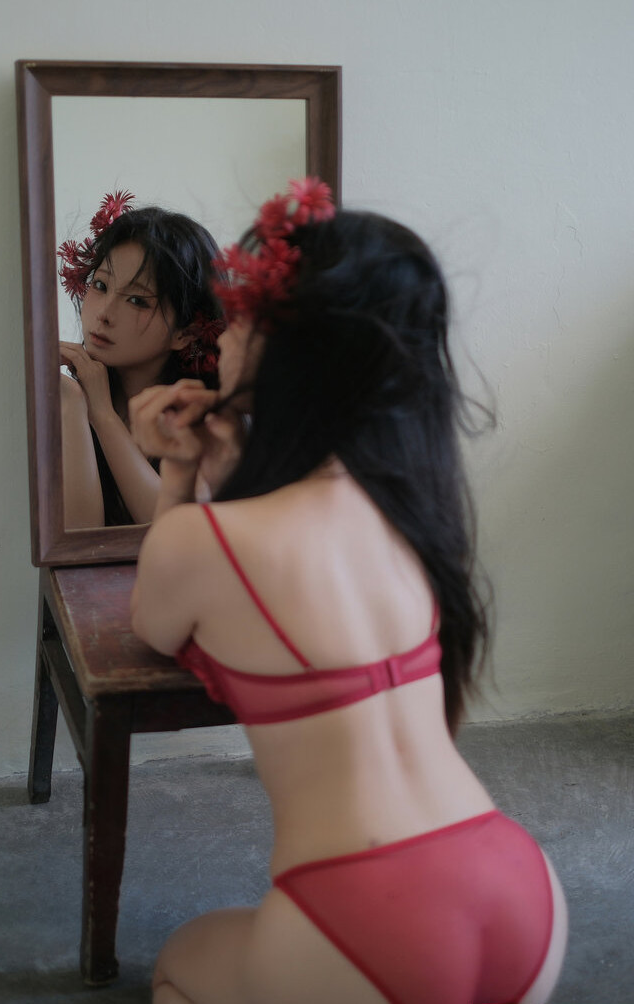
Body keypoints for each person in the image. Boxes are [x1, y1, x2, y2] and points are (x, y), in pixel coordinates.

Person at [128, 178, 568, 1004]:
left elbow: (154, 624)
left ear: (286, 350)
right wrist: (237, 469)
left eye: (240, 316)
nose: (223, 334)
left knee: (179, 963)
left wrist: (180, 473)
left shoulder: (205, 541)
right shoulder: (409, 509)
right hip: (519, 892)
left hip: (358, 925)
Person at [57, 191, 224, 527]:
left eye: (137, 300)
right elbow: (79, 543)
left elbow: (178, 532)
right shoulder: (65, 401)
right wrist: (74, 403)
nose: (104, 313)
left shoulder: (210, 420)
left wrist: (103, 415)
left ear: (186, 333)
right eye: (100, 285)